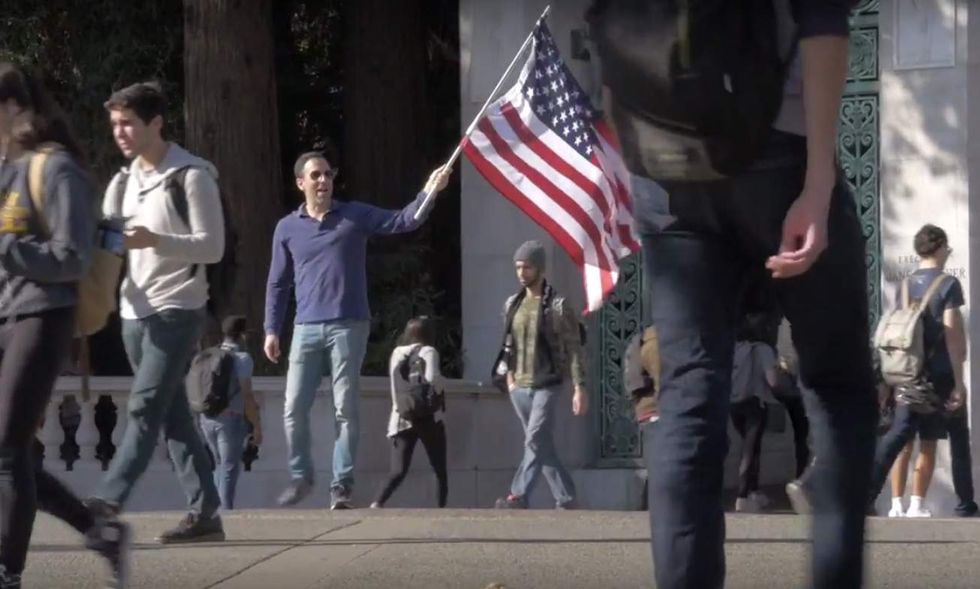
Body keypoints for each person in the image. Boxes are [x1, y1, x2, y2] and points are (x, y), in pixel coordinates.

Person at [594, 1, 875, 587]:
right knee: (838, 384)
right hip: (778, 148)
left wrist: (641, 162)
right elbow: (823, 23)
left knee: (688, 392)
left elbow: (611, 39)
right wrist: (818, 184)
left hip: (666, 168)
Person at [0, 62, 129, 589]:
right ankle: (96, 527)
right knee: (14, 453)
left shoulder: (57, 170)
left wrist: (7, 249)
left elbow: (72, 257)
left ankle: (8, 572)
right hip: (5, 314)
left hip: (43, 315)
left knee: (7, 451)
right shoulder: (6, 172)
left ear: (13, 109)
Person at [264, 149, 450, 509]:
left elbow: (403, 221)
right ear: (300, 183)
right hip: (305, 328)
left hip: (349, 325)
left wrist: (431, 190)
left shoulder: (353, 216)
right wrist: (272, 328)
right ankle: (301, 476)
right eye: (315, 176)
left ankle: (341, 487)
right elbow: (277, 283)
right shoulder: (287, 228)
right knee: (292, 407)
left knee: (345, 409)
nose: (323, 181)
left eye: (328, 175)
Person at [87, 81, 225, 544]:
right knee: (172, 416)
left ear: (156, 123)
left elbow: (213, 246)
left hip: (178, 307)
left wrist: (155, 240)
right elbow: (108, 244)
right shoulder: (122, 182)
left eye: (128, 123)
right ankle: (206, 514)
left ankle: (108, 499)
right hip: (133, 311)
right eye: (115, 125)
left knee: (146, 405)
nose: (120, 132)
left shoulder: (192, 176)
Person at [868, 224, 974, 517]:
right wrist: (958, 380)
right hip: (938, 375)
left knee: (900, 436)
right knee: (953, 439)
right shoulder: (948, 285)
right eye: (947, 247)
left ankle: (883, 498)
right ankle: (963, 504)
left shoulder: (903, 286)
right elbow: (952, 334)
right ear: (939, 247)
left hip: (907, 374)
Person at [493, 241, 588, 510]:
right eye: (518, 267)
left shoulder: (558, 305)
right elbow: (508, 344)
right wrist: (510, 379)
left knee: (534, 438)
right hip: (518, 386)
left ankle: (518, 495)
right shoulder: (513, 303)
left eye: (527, 267)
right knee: (541, 442)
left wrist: (580, 387)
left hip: (548, 382)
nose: (522, 273)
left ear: (540, 268)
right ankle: (567, 497)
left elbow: (574, 348)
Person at [370, 316, 448, 508]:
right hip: (429, 418)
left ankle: (376, 503)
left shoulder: (396, 353)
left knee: (398, 471)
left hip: (402, 417)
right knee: (439, 470)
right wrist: (443, 384)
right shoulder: (429, 351)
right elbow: (433, 378)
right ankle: (440, 511)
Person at [199, 315, 262, 511]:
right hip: (230, 418)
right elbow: (247, 395)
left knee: (219, 465)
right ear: (242, 335)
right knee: (229, 468)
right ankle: (224, 513)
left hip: (207, 418)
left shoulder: (209, 355)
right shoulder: (243, 359)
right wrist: (257, 426)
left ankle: (215, 511)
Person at [730, 313, 780, 513]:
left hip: (733, 403)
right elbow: (773, 381)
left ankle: (753, 491)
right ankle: (743, 495)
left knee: (748, 448)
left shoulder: (733, 349)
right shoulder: (763, 350)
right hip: (754, 403)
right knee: (750, 450)